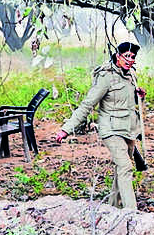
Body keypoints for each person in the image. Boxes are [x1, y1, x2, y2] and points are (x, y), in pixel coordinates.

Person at [55, 42, 146, 210]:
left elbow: (126, 102)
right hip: (111, 130)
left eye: (133, 57)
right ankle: (131, 213)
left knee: (122, 170)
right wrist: (66, 129)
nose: (130, 60)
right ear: (118, 56)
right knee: (125, 167)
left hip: (128, 128)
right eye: (126, 56)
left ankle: (112, 208)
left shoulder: (131, 75)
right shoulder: (105, 76)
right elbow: (87, 105)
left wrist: (138, 96)